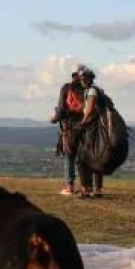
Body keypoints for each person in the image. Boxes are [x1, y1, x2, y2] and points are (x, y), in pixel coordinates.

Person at [51, 65, 85, 195]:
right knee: (84, 156)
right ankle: (86, 187)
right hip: (87, 125)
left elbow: (61, 109)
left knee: (69, 155)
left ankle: (70, 187)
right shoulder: (89, 89)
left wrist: (54, 118)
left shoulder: (66, 88)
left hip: (70, 126)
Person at [74, 67, 105, 198]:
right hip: (97, 126)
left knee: (82, 158)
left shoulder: (91, 91)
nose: (81, 80)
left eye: (83, 78)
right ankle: (97, 188)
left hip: (93, 126)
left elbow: (90, 108)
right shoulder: (94, 90)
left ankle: (86, 188)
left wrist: (83, 121)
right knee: (96, 157)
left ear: (88, 78)